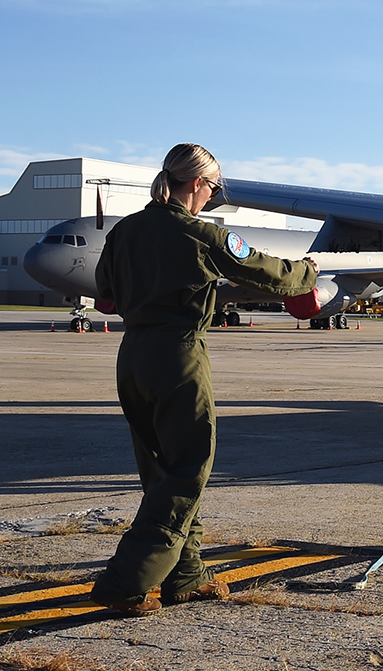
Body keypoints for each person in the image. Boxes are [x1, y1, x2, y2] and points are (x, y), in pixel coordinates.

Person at [90, 144, 318, 616]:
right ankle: (127, 580)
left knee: (160, 470)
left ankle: (186, 574)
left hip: (131, 355)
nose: (213, 196)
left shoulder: (124, 231)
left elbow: (105, 294)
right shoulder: (201, 234)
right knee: (189, 468)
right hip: (177, 355)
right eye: (214, 187)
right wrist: (308, 271)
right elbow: (271, 274)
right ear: (196, 183)